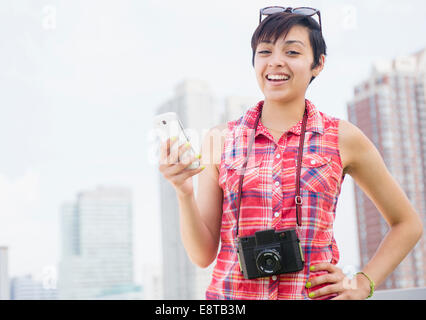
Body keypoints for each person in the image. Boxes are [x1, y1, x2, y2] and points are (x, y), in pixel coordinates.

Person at [158, 7, 423, 300]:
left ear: (318, 64)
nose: (276, 62)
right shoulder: (220, 139)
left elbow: (407, 224)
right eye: (265, 52)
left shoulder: (342, 137)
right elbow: (202, 255)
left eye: (292, 52)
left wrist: (363, 282)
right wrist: (183, 193)